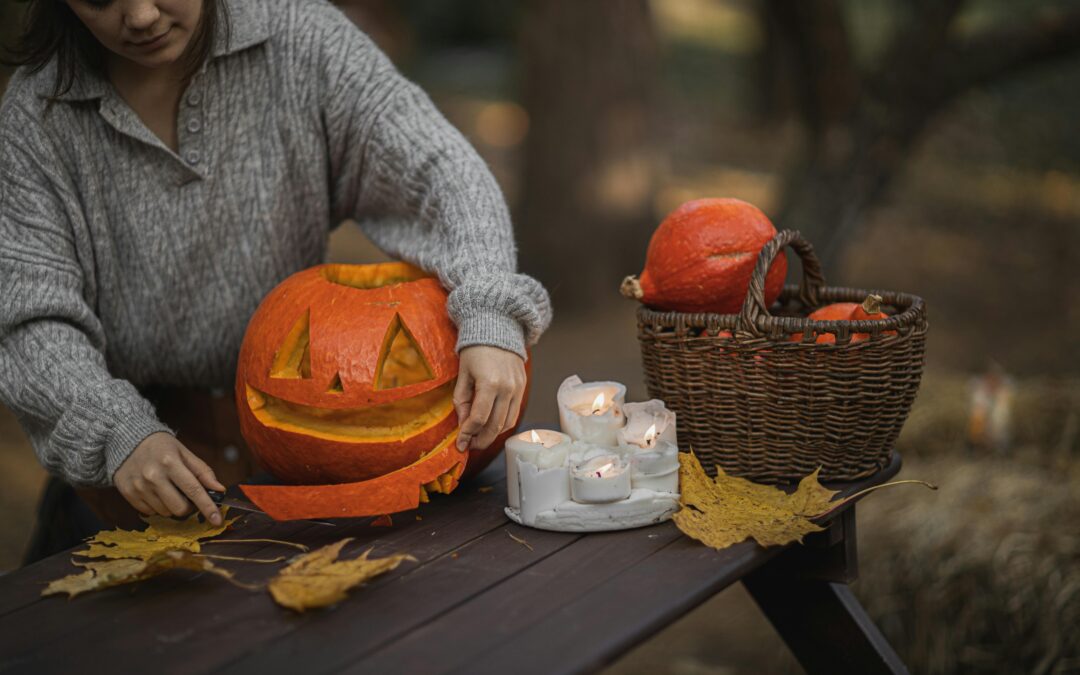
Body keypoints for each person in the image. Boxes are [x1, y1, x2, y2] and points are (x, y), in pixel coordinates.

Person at [0, 0, 551, 556]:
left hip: (306, 471)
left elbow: (438, 167)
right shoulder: (34, 118)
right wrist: (113, 431)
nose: (141, 15)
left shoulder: (301, 39)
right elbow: (29, 317)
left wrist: (488, 306)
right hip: (127, 485)